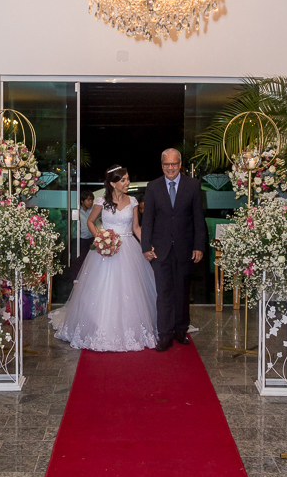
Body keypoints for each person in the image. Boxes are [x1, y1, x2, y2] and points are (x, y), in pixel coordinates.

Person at [50, 165, 158, 351]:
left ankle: (131, 329)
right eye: (123, 180)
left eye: (127, 179)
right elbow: (91, 221)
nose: (127, 182)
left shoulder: (132, 201)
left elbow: (136, 229)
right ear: (112, 183)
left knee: (130, 290)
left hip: (128, 248)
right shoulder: (101, 201)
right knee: (103, 289)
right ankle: (98, 327)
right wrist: (100, 238)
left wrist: (147, 245)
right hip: (106, 250)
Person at [141, 148, 206, 352]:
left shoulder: (193, 185)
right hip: (160, 250)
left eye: (174, 164)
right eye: (166, 164)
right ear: (162, 165)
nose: (170, 168)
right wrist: (145, 246)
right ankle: (165, 335)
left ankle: (180, 331)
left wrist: (198, 245)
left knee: (182, 292)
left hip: (185, 249)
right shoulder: (152, 187)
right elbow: (147, 219)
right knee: (164, 293)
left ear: (180, 164)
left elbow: (198, 218)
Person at [69, 188, 95, 282]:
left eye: (91, 200)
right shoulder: (77, 211)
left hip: (91, 238)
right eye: (88, 200)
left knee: (91, 260)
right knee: (78, 260)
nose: (90, 202)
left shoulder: (92, 211)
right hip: (80, 238)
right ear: (82, 201)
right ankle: (75, 279)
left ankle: (88, 280)